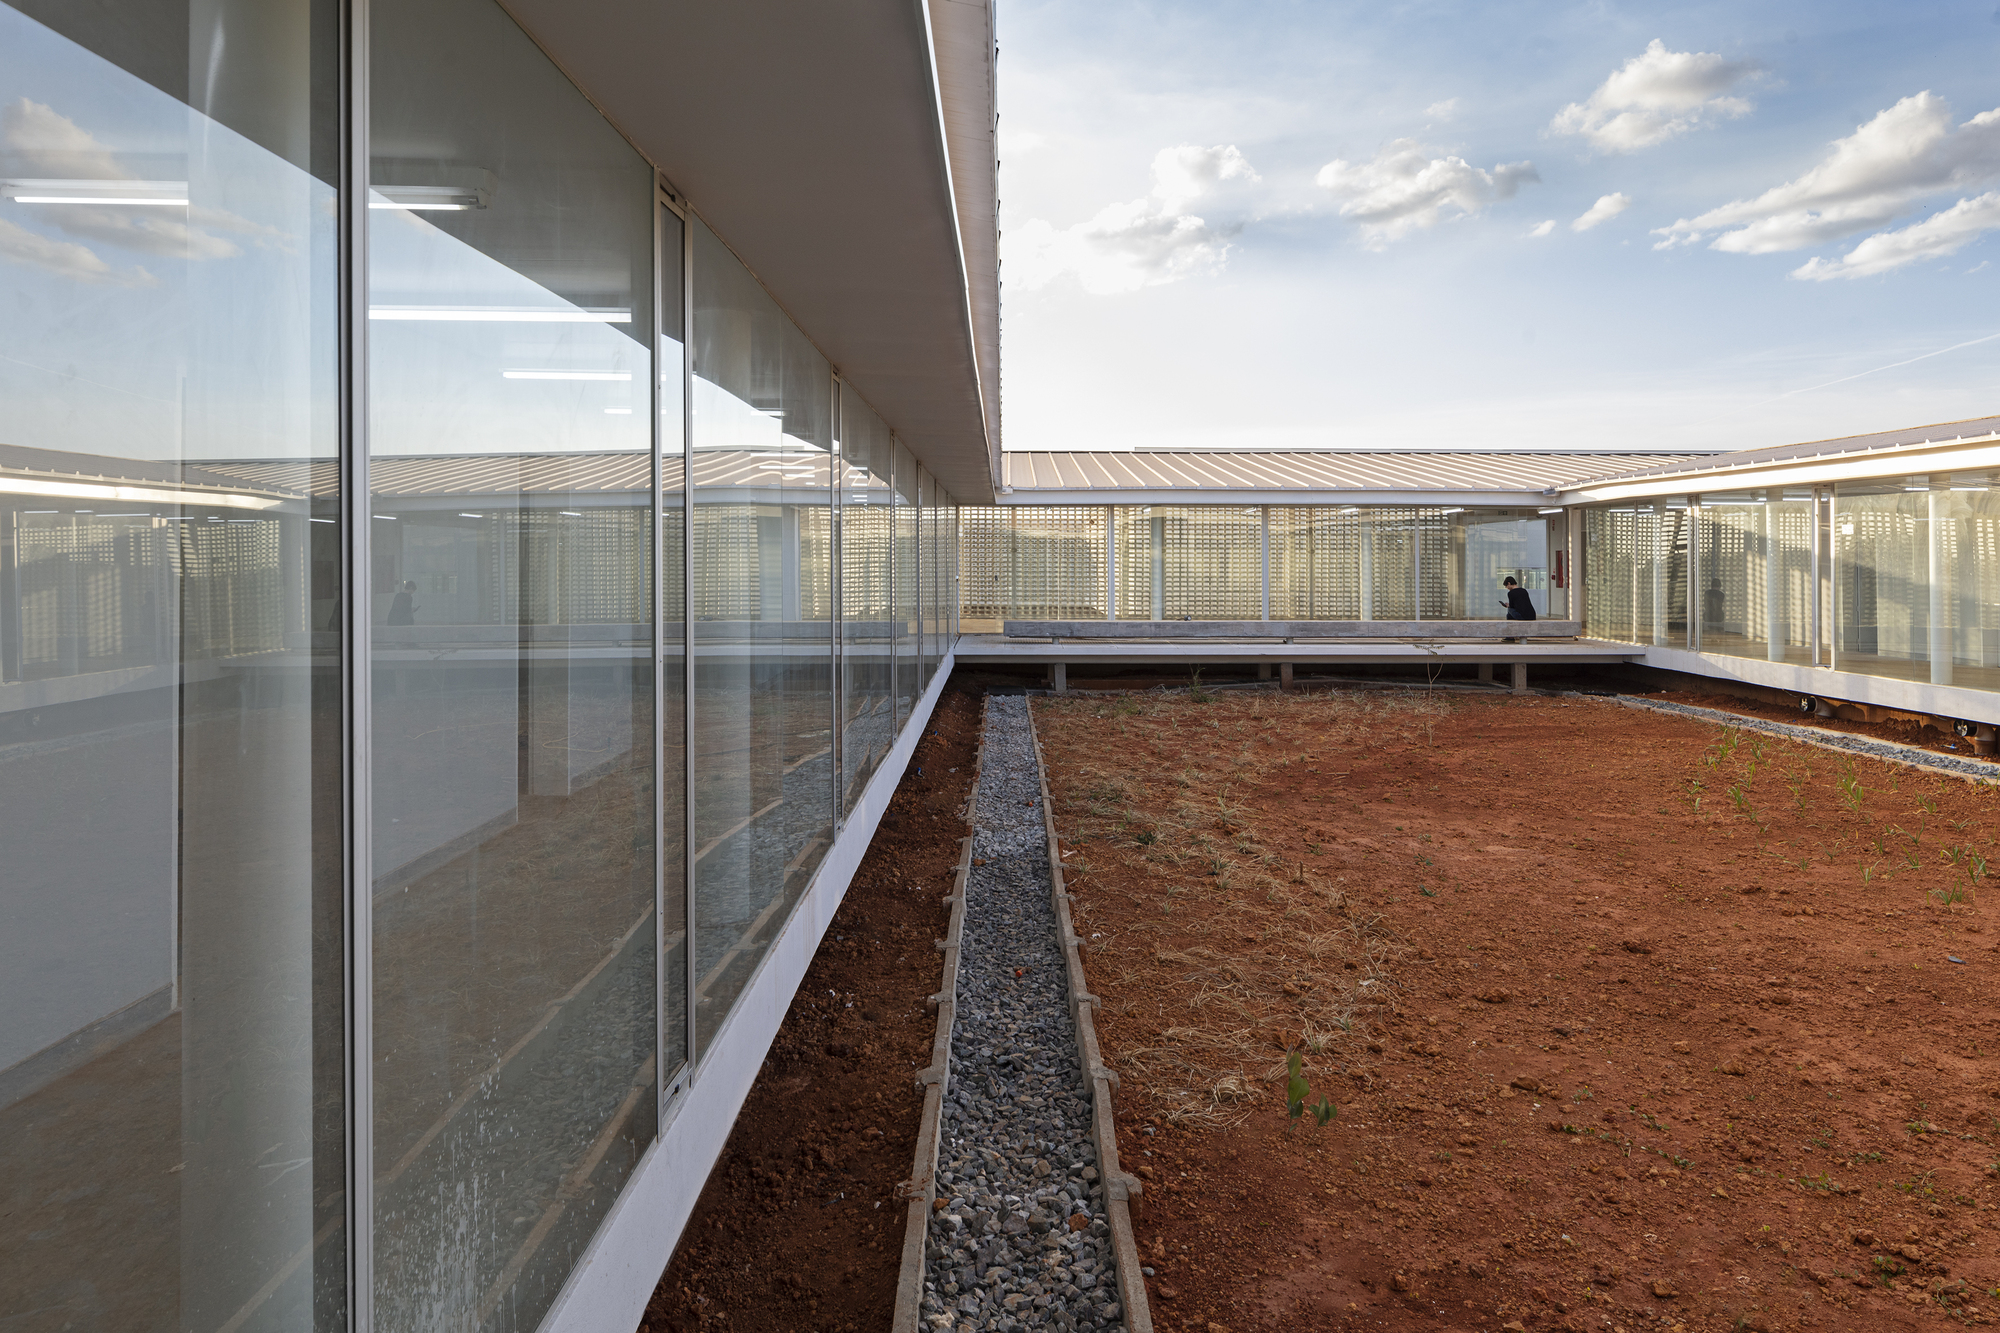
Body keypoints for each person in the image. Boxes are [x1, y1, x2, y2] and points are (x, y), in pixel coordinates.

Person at [1500, 575, 1535, 643]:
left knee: (1509, 611)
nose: (1507, 588)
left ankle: (1510, 636)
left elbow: (1512, 606)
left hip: (1523, 616)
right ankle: (1511, 635)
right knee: (1510, 613)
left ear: (1509, 583)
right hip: (1532, 615)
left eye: (1506, 586)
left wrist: (1508, 606)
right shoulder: (1523, 590)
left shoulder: (1511, 593)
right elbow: (1522, 604)